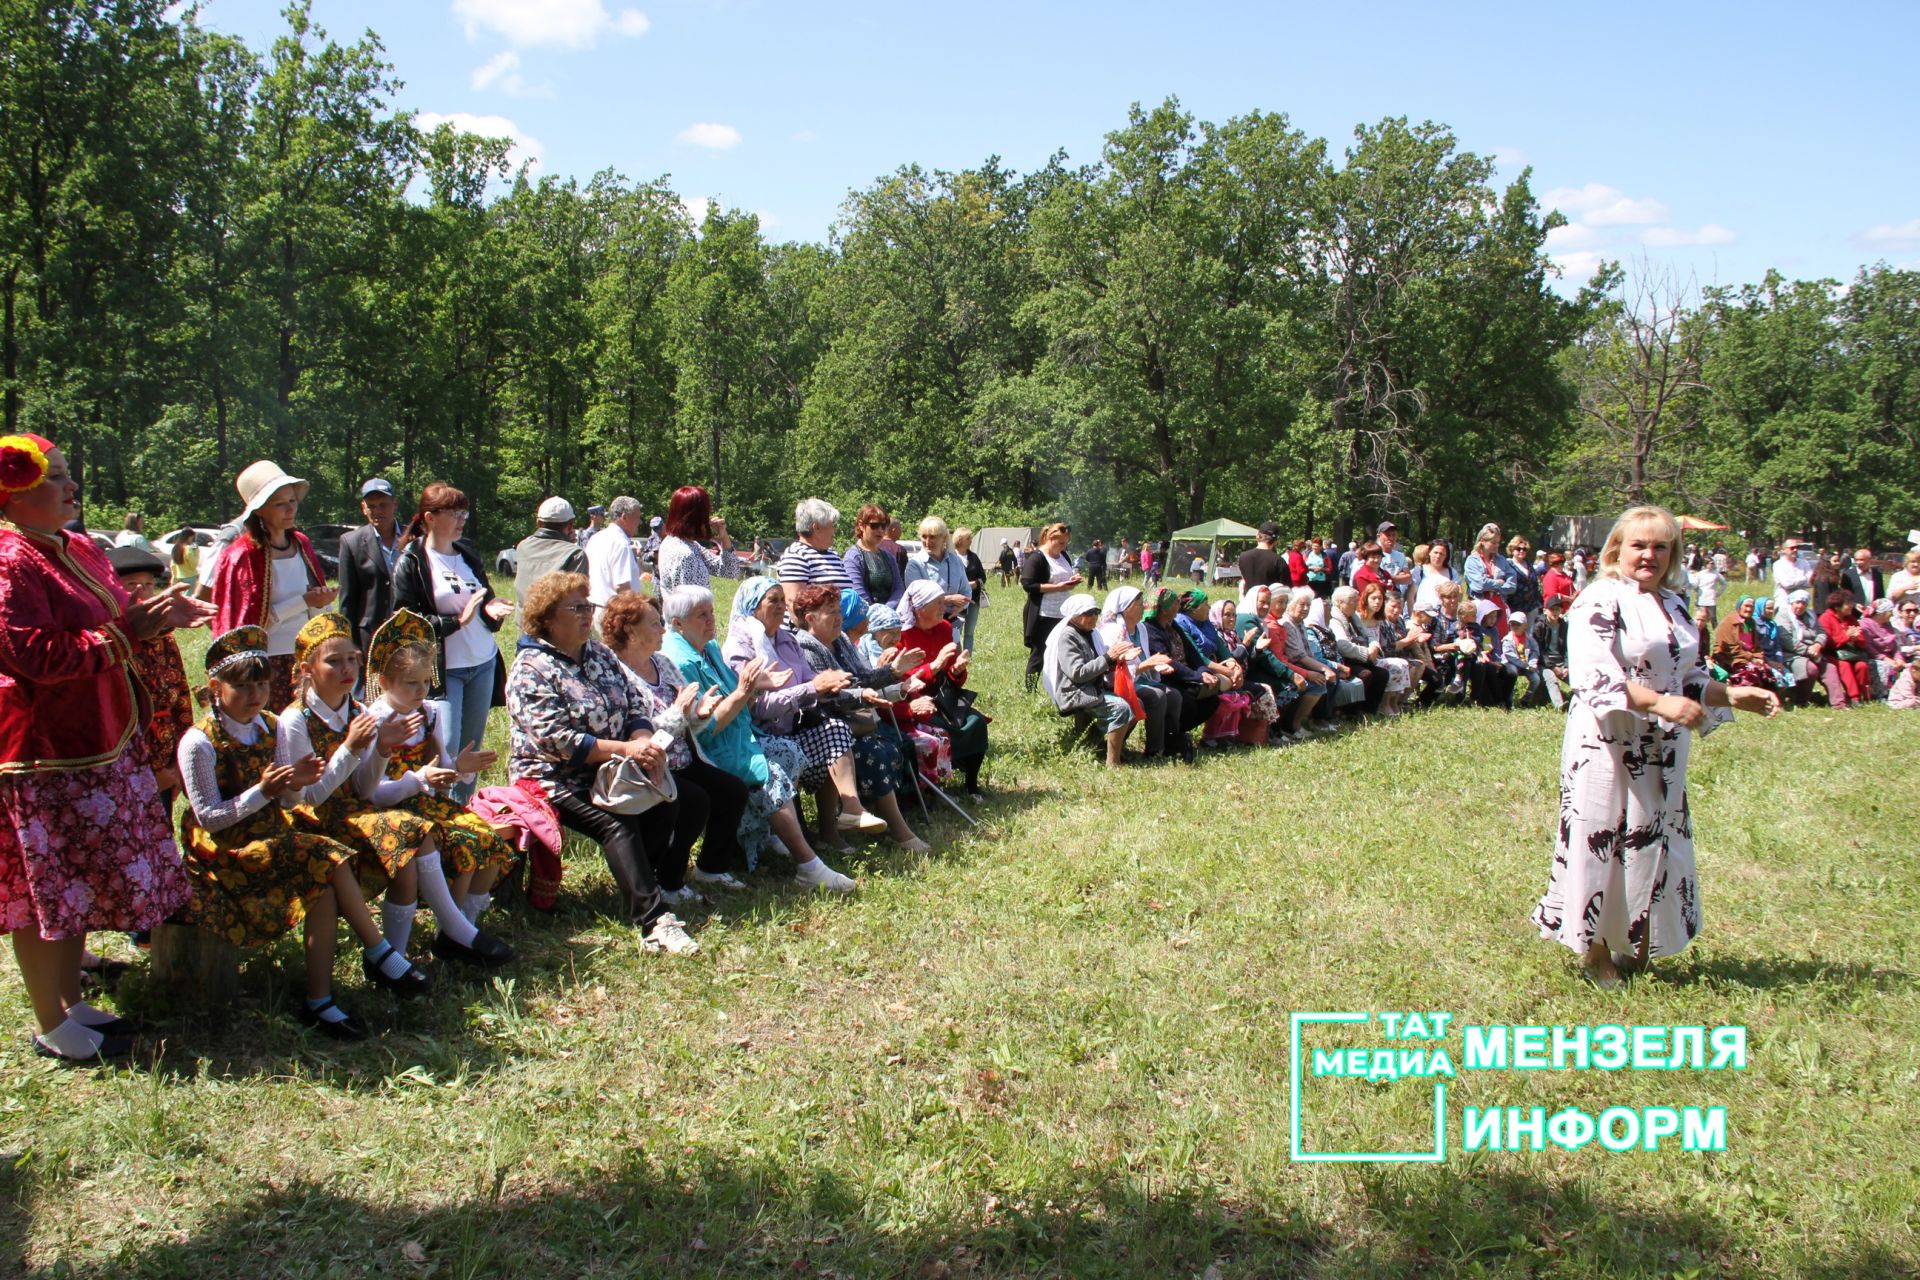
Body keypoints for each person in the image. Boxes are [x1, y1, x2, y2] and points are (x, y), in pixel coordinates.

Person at [0, 432, 209, 1061]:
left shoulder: (78, 547)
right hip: (45, 751)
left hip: (101, 737)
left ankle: (70, 1000)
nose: (71, 487)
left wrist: (159, 613)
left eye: (67, 474)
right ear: (14, 491)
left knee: (78, 885)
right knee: (48, 894)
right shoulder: (9, 560)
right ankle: (49, 1025)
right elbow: (27, 654)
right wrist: (125, 634)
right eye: (56, 477)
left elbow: (120, 610)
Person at [1532, 505, 1780, 990]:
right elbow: (1594, 677)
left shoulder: (1676, 603)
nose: (1649, 555)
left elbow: (1686, 676)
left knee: (1653, 839)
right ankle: (1595, 952)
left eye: (1660, 546)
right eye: (1639, 545)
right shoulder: (1598, 599)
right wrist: (1662, 704)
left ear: (1673, 553)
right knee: (1602, 837)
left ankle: (1636, 939)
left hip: (1662, 749)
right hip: (1607, 741)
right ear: (1616, 549)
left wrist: (1729, 695)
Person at [177, 626, 434, 1040]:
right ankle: (378, 951)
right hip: (225, 849)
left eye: (261, 684)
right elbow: (209, 818)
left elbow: (294, 800)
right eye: (242, 686)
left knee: (325, 888)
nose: (255, 695)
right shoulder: (198, 742)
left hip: (271, 830)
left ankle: (320, 1000)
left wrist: (288, 785)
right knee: (327, 856)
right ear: (215, 687)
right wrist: (264, 790)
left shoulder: (271, 725)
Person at [281, 613, 512, 971]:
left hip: (362, 808)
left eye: (351, 659)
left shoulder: (358, 711)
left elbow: (363, 786)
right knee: (415, 837)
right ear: (307, 668)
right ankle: (441, 936)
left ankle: (430, 944)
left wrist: (389, 752)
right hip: (319, 818)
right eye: (333, 660)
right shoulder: (297, 719)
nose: (346, 669)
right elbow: (311, 799)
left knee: (474, 840)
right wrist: (359, 749)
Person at [502, 579, 701, 948]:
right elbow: (558, 741)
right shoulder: (531, 669)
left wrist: (643, 742)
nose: (587, 614)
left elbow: (634, 706)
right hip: (553, 776)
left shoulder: (598, 654)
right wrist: (625, 751)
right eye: (576, 608)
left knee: (664, 803)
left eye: (587, 606)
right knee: (615, 824)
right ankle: (653, 922)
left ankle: (645, 883)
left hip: (609, 768)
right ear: (547, 618)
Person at [659, 583, 855, 888]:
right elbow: (707, 730)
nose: (712, 620)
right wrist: (747, 690)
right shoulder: (682, 660)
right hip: (711, 747)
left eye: (711, 612)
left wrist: (755, 687)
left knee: (789, 752)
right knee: (771, 773)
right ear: (677, 624)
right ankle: (808, 865)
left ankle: (772, 832)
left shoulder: (709, 647)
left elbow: (748, 701)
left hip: (743, 734)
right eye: (702, 615)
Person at [356, 611, 520, 941]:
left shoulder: (429, 713)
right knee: (461, 845)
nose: (421, 690)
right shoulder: (374, 721)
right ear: (385, 682)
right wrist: (421, 779)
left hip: (427, 808)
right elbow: (372, 792)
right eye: (410, 683)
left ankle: (459, 926)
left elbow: (441, 770)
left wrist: (458, 768)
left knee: (485, 840)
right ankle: (455, 931)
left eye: (426, 682)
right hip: (390, 811)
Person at [601, 591, 758, 897]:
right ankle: (667, 880)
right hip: (648, 767)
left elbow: (689, 720)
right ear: (631, 630)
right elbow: (631, 735)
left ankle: (711, 868)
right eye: (655, 624)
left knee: (732, 791)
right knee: (695, 802)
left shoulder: (662, 662)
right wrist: (678, 714)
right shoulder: (616, 674)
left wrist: (698, 714)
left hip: (684, 758)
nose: (663, 630)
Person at [723, 577, 890, 846]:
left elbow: (813, 681)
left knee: (834, 731)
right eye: (772, 600)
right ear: (753, 607)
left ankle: (847, 813)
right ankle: (834, 821)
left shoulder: (786, 640)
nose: (780, 606)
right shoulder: (740, 648)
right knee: (832, 736)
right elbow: (758, 708)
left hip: (793, 728)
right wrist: (813, 688)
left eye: (782, 600)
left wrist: (839, 687)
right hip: (760, 737)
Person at [391, 482, 514, 805]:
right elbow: (405, 623)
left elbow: (482, 601)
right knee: (444, 748)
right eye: (455, 513)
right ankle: (436, 812)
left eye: (464, 512)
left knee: (469, 750)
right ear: (430, 517)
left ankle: (461, 814)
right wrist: (455, 622)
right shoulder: (412, 560)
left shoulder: (467, 551)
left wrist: (491, 610)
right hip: (444, 671)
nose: (462, 519)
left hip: (482, 662)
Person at [787, 585, 931, 850]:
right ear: (810, 619)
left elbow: (863, 677)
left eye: (839, 610)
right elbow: (829, 696)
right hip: (817, 725)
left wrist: (894, 670)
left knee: (886, 746)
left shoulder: (839, 638)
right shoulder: (806, 646)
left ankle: (854, 823)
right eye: (831, 611)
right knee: (871, 751)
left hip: (845, 724)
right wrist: (863, 696)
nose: (839, 616)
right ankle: (898, 832)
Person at [207, 460, 335, 709]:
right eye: (280, 504)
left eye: (292, 500)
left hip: (305, 659)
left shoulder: (301, 544)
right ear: (259, 510)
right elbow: (248, 627)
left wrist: (320, 604)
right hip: (266, 665)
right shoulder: (243, 555)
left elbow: (315, 611)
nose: (290, 509)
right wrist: (303, 602)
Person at [899, 579, 991, 800]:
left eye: (944, 602)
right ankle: (931, 787)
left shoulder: (945, 628)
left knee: (976, 723)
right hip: (913, 701)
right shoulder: (902, 634)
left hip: (943, 698)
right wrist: (935, 665)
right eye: (938, 603)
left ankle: (971, 785)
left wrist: (957, 670)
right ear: (920, 609)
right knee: (942, 728)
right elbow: (900, 677)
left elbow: (951, 678)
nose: (945, 608)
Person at [1043, 593, 1139, 766]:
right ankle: (1113, 761)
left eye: (1096, 612)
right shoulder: (1068, 637)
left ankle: (1106, 747)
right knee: (1121, 709)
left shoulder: (1090, 633)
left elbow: (1098, 664)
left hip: (1092, 688)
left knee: (1136, 704)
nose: (1093, 617)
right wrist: (1109, 657)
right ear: (1075, 615)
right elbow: (1077, 673)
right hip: (1076, 692)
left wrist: (1119, 659)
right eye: (1088, 613)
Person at [335, 477, 402, 655]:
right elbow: (347, 600)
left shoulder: (414, 538)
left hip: (408, 631)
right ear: (363, 508)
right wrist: (349, 644)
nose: (377, 511)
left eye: (383, 504)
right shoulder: (351, 542)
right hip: (370, 636)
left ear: (394, 504)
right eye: (371, 506)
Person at [1021, 522, 1082, 690]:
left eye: (1066, 543)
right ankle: (1030, 690)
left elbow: (1065, 577)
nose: (1063, 546)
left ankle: (1059, 689)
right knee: (1039, 654)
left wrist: (1073, 581)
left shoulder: (1064, 556)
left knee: (1062, 653)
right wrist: (1058, 587)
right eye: (1061, 542)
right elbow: (1028, 584)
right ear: (1050, 538)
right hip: (1043, 614)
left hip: (1063, 614)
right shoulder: (1037, 557)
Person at [654, 484, 738, 593]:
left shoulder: (683, 543)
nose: (708, 517)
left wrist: (723, 535)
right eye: (706, 512)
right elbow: (691, 604)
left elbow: (729, 571)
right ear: (696, 517)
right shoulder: (685, 554)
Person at [1327, 585, 1389, 715]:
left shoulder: (1354, 616)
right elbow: (1343, 646)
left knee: (1382, 674)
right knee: (1366, 675)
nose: (1357, 603)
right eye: (1353, 601)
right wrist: (1366, 653)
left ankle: (1368, 711)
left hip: (1360, 658)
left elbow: (1369, 635)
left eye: (1357, 599)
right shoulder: (1334, 619)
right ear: (1340, 603)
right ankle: (1349, 713)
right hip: (1344, 661)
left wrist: (1374, 646)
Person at [513, 497, 589, 602]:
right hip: (556, 618)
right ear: (571, 524)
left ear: (538, 522)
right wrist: (568, 544)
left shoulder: (522, 546)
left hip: (524, 617)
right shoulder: (575, 554)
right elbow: (576, 599)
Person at [905, 516, 973, 632]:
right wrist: (949, 599)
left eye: (932, 537)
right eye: (924, 536)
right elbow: (916, 600)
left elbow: (966, 591)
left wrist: (961, 605)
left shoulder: (955, 561)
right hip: (925, 628)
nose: (927, 542)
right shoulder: (915, 565)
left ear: (944, 538)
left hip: (952, 626)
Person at [585, 496, 646, 626]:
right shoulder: (621, 543)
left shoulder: (596, 538)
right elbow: (623, 588)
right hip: (615, 615)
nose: (640, 522)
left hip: (594, 611)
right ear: (624, 517)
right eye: (637, 517)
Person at [777, 498, 854, 590]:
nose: (835, 530)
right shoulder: (796, 556)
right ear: (817, 527)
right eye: (832, 525)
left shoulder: (832, 554)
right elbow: (793, 602)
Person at [841, 504, 906, 608]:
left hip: (891, 616)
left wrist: (887, 610)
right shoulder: (853, 557)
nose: (880, 530)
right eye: (874, 525)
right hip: (865, 619)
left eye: (883, 526)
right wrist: (877, 613)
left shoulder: (889, 557)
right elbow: (858, 594)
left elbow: (899, 589)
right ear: (861, 525)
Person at [1817, 589, 1872, 706]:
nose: (1851, 606)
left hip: (1852, 653)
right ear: (1837, 606)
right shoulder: (1825, 618)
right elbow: (1828, 643)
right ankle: (1854, 697)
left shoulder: (1851, 618)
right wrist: (1846, 636)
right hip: (1831, 654)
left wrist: (1857, 638)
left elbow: (1863, 641)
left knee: (1862, 666)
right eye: (1848, 604)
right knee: (1844, 665)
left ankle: (1866, 695)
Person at [1531, 596, 1573, 709]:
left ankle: (1583, 702)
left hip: (1560, 661)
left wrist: (1567, 666)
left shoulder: (1564, 626)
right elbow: (1539, 651)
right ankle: (1559, 705)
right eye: (1552, 609)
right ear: (1545, 611)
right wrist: (1553, 667)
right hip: (1543, 663)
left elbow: (1567, 648)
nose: (1555, 612)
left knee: (1574, 677)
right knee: (1551, 678)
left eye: (1557, 609)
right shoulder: (1539, 626)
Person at [952, 527, 987, 653]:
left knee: (969, 632)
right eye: (968, 538)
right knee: (956, 631)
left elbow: (983, 577)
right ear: (960, 540)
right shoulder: (951, 557)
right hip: (957, 601)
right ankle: (955, 657)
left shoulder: (974, 557)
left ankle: (967, 657)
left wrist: (975, 584)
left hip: (974, 600)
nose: (971, 540)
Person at [1410, 539, 1456, 614]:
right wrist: (1411, 615)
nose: (1438, 556)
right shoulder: (1419, 571)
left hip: (1445, 615)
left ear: (1446, 556)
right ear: (1429, 552)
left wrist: (1445, 590)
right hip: (1422, 614)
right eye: (1435, 552)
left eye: (1442, 554)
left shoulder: (1452, 572)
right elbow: (1411, 596)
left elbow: (1458, 594)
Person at [1237, 525, 1287, 591]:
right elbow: (1286, 588)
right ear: (1276, 542)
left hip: (1249, 599)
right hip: (1270, 599)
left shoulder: (1243, 556)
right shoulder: (1278, 560)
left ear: (1257, 536)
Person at [1688, 554, 1728, 629]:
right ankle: (1697, 631)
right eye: (1711, 563)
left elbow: (1724, 583)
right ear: (1706, 564)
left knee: (1713, 618)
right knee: (1700, 617)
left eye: (1713, 563)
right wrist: (1696, 590)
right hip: (1701, 599)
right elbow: (1695, 585)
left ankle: (1716, 633)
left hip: (1711, 599)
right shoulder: (1700, 574)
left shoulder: (1716, 574)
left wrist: (1718, 593)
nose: (1712, 565)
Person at [1373, 522, 1412, 598]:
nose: (1391, 538)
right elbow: (1376, 578)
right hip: (1379, 595)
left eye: (1393, 535)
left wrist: (1388, 577)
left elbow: (1409, 579)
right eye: (1387, 535)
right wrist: (1399, 578)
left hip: (1396, 597)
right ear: (1378, 536)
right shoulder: (1373, 555)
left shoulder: (1400, 555)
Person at [1771, 539, 1811, 607]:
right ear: (1784, 550)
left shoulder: (1804, 563)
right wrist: (1804, 578)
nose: (1795, 550)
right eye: (1792, 548)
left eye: (1797, 547)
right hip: (1784, 603)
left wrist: (1793, 583)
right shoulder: (1778, 565)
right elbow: (1787, 584)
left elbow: (1811, 582)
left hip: (1801, 604)